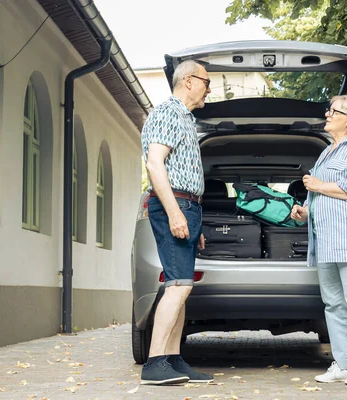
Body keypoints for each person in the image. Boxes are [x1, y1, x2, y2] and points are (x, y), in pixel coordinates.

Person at [290, 95, 347, 386]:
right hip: (326, 241)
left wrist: (317, 185)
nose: (327, 114)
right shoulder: (328, 151)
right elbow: (320, 196)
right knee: (334, 305)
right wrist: (305, 211)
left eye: (333, 111)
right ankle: (343, 363)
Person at [139, 60, 213, 385]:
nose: (209, 88)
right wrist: (174, 212)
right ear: (189, 81)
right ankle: (155, 363)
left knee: (181, 286)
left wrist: (193, 221)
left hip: (187, 205)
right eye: (206, 82)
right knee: (178, 286)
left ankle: (172, 359)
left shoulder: (185, 118)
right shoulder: (168, 112)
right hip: (175, 203)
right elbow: (155, 164)